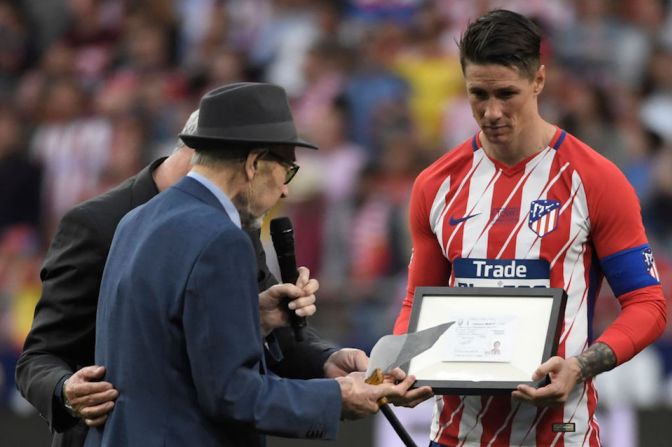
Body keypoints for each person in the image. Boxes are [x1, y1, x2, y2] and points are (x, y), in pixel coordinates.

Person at [15, 108, 395, 446]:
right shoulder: (107, 223)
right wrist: (65, 391)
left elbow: (198, 336)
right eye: (286, 170)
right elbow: (230, 392)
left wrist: (312, 354)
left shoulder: (216, 222)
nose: (285, 190)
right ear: (248, 162)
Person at [392, 9, 667, 447]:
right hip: (456, 435)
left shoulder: (595, 179)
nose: (491, 111)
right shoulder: (435, 184)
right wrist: (402, 361)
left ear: (539, 80)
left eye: (507, 93)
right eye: (477, 94)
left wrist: (581, 365)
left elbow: (649, 305)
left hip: (560, 433)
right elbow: (415, 302)